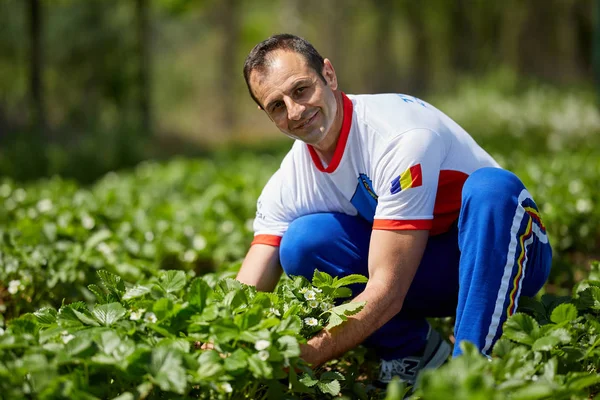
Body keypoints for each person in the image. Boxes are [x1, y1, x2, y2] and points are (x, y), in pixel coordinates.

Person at [235, 33, 552, 385]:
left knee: (492, 189)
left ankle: (471, 373)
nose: (295, 111)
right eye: (276, 106)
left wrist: (305, 354)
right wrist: (214, 344)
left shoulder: (397, 136)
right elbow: (248, 287)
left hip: (504, 256)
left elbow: (387, 292)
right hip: (425, 270)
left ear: (328, 75)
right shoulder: (291, 179)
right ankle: (412, 353)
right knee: (302, 242)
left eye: (300, 90)